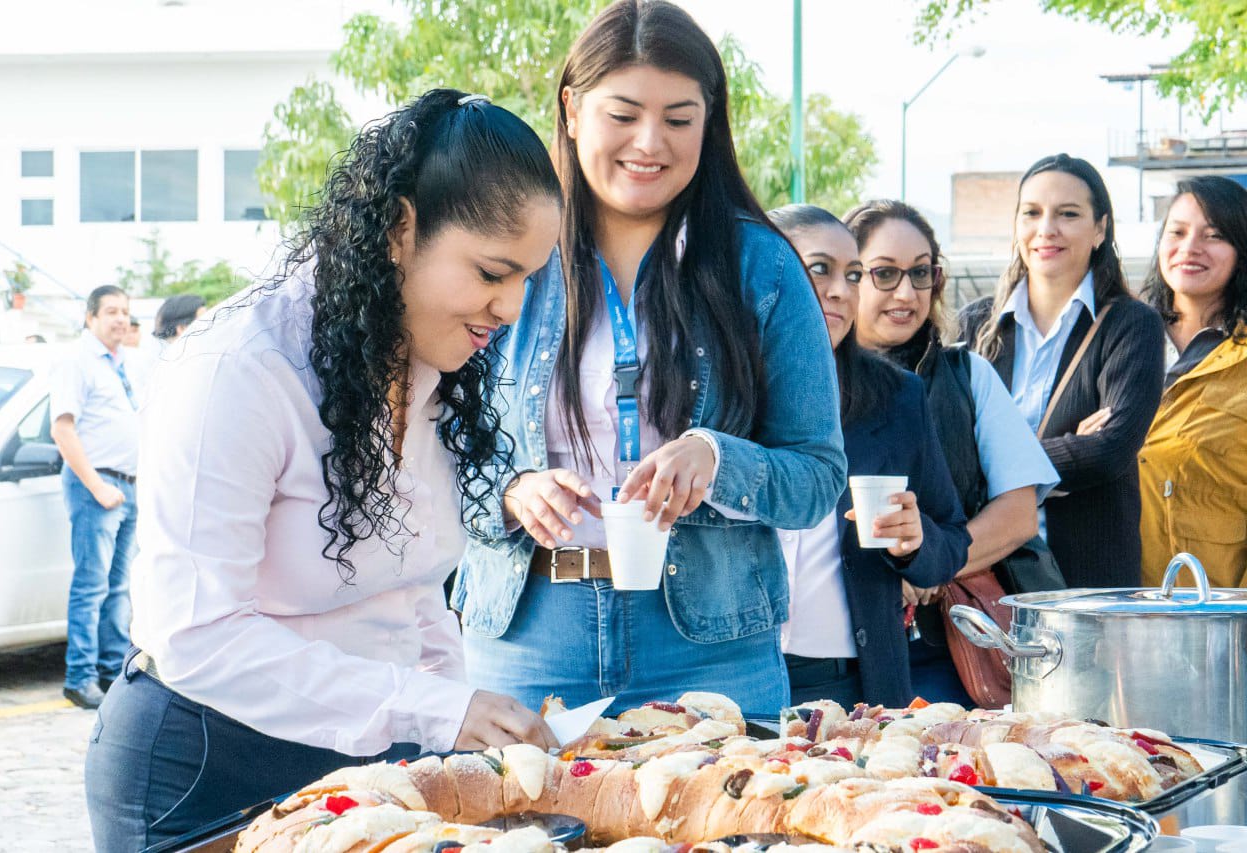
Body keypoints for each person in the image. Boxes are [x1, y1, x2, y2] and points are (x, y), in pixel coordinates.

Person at [84, 90, 564, 852]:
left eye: (528, 279)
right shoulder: (240, 366)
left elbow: (413, 593)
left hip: (369, 767)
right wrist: (430, 711)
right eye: (491, 272)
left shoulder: (433, 362)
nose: (509, 307)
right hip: (208, 768)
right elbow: (199, 634)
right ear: (401, 229)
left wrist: (463, 719)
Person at [454, 0, 846, 719]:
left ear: (710, 121)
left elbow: (819, 475)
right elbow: (433, 447)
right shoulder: (510, 258)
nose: (649, 141)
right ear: (572, 110)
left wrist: (719, 456)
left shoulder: (762, 267)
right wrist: (509, 491)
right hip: (529, 638)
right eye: (624, 113)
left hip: (714, 644)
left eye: (678, 117)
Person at [841, 200, 1057, 705]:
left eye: (921, 273)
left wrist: (926, 567)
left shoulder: (967, 376)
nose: (906, 292)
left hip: (947, 649)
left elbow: (1019, 514)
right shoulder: (806, 386)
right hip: (830, 649)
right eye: (884, 274)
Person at [768, 204, 970, 708]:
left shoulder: (897, 396)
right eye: (820, 269)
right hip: (731, 675)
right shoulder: (708, 394)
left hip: (850, 684)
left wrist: (914, 543)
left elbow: (950, 539)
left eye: (853, 275)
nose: (840, 289)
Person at [964, 154, 1165, 589]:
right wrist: (1069, 450)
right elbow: (944, 452)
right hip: (983, 579)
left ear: (1100, 229)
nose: (1047, 229)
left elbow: (1110, 451)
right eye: (1032, 213)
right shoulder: (972, 326)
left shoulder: (1131, 326)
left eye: (1068, 214)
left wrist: (990, 469)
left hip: (1087, 584)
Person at [1138, 176, 1247, 588]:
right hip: (1112, 604)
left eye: (1214, 235)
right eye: (1177, 232)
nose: (1190, 248)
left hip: (1215, 612)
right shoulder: (1114, 338)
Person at [49, 285, 142, 712]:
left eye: (125, 311)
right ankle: (80, 677)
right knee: (91, 585)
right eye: (110, 312)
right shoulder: (78, 361)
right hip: (97, 486)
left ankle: (110, 670)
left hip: (129, 485)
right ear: (90, 318)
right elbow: (63, 429)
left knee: (120, 586)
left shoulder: (121, 363)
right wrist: (97, 485)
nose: (120, 319)